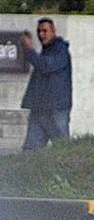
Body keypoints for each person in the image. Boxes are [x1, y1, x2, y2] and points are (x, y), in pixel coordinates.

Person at [20, 17, 73, 150]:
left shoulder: (60, 50)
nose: (41, 35)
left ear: (53, 31)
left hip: (56, 110)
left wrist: (29, 50)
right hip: (40, 110)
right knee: (31, 151)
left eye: (45, 31)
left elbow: (45, 66)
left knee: (63, 150)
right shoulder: (46, 51)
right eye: (39, 31)